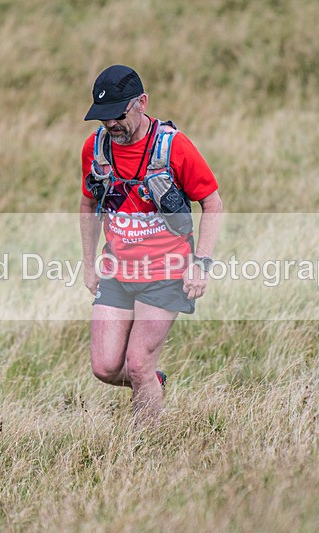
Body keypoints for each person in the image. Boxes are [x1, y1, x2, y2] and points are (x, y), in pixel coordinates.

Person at [79, 65, 223, 427]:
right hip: (117, 270)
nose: (110, 125)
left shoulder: (174, 147)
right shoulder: (95, 148)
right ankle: (152, 385)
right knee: (106, 367)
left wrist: (201, 264)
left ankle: (147, 446)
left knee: (138, 364)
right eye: (103, 117)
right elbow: (87, 204)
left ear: (141, 103)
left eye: (117, 115)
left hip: (166, 272)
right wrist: (87, 263)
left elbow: (213, 203)